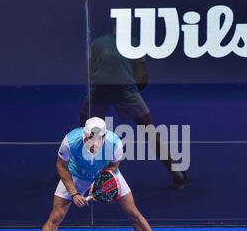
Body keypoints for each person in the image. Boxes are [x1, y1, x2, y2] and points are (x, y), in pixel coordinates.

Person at [23, 117, 175, 231]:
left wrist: (101, 181)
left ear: (103, 137)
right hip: (76, 175)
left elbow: (114, 166)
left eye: (95, 138)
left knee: (134, 213)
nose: (91, 141)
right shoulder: (70, 141)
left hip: (105, 175)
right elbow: (61, 166)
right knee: (56, 217)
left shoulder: (114, 143)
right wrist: (74, 193)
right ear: (84, 134)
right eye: (88, 137)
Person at [79, 28, 189, 190]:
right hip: (125, 88)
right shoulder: (135, 43)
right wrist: (131, 89)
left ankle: (70, 169)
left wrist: (100, 87)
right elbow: (141, 76)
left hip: (100, 88)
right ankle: (177, 173)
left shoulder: (97, 42)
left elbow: (89, 72)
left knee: (83, 125)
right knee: (149, 128)